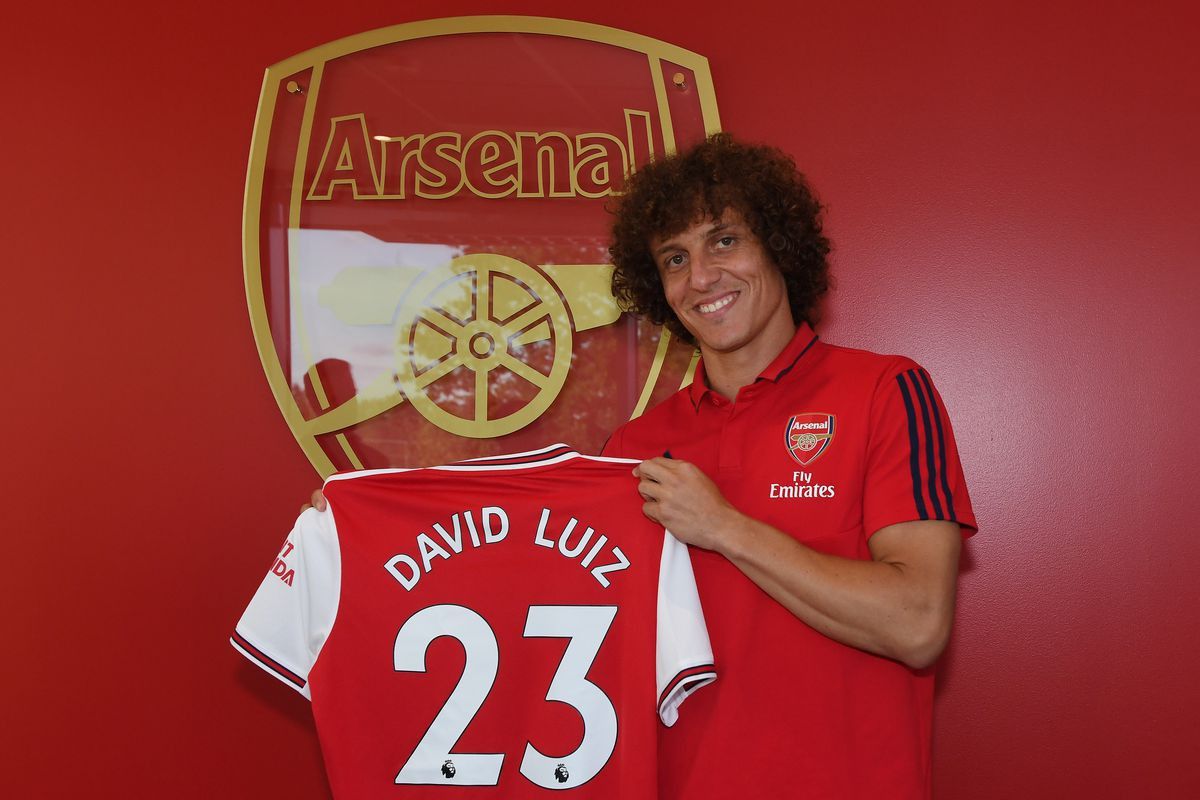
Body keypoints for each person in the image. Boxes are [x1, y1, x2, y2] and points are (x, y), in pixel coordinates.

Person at [601, 132, 976, 799]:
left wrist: (722, 526)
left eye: (724, 241)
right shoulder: (634, 445)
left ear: (778, 245)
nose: (701, 277)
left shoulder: (885, 391)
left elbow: (918, 624)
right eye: (674, 258)